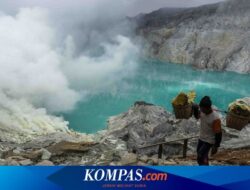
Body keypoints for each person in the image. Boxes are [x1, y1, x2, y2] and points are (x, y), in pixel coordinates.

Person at [193, 96, 222, 166]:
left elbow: (218, 133)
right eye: (200, 108)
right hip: (201, 138)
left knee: (201, 155)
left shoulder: (215, 118)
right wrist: (195, 109)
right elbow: (197, 117)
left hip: (209, 140)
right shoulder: (203, 111)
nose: (201, 110)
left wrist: (216, 146)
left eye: (202, 109)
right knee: (200, 154)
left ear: (208, 108)